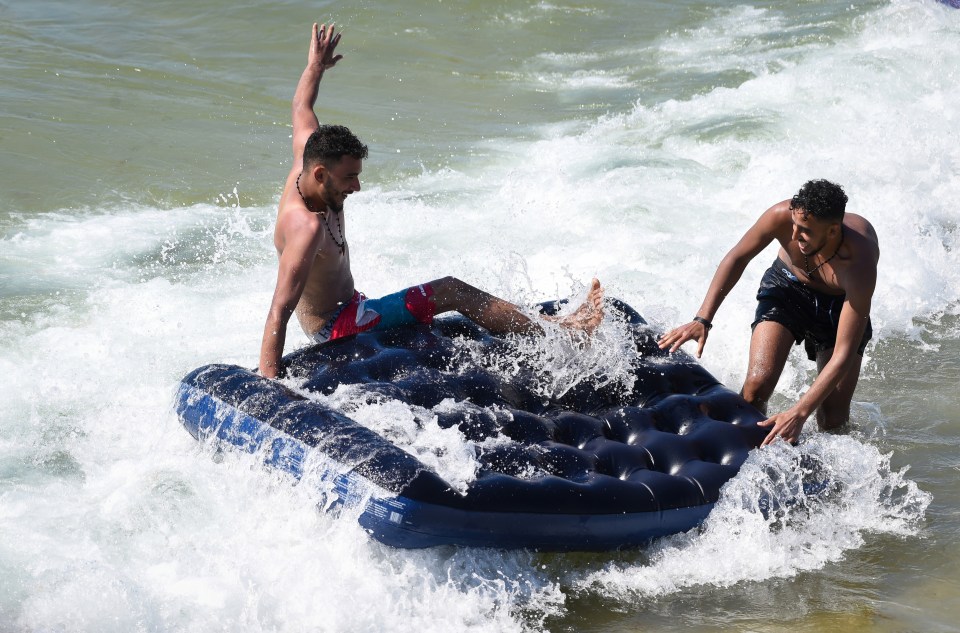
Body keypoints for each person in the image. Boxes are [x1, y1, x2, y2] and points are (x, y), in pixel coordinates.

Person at [259, 23, 604, 379]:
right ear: (320, 174)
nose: (357, 187)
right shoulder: (305, 226)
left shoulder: (310, 153)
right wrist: (269, 385)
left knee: (441, 292)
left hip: (354, 305)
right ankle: (564, 333)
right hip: (335, 328)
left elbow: (301, 105)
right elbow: (279, 309)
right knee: (451, 289)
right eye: (349, 178)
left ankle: (553, 325)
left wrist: (315, 66)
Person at [657, 180, 878, 446]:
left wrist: (799, 412)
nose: (794, 236)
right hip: (787, 289)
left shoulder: (858, 263)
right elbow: (737, 257)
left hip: (838, 305)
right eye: (795, 225)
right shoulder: (781, 216)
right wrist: (703, 319)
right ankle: (746, 452)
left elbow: (842, 355)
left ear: (832, 231)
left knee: (833, 419)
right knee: (755, 388)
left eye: (805, 231)